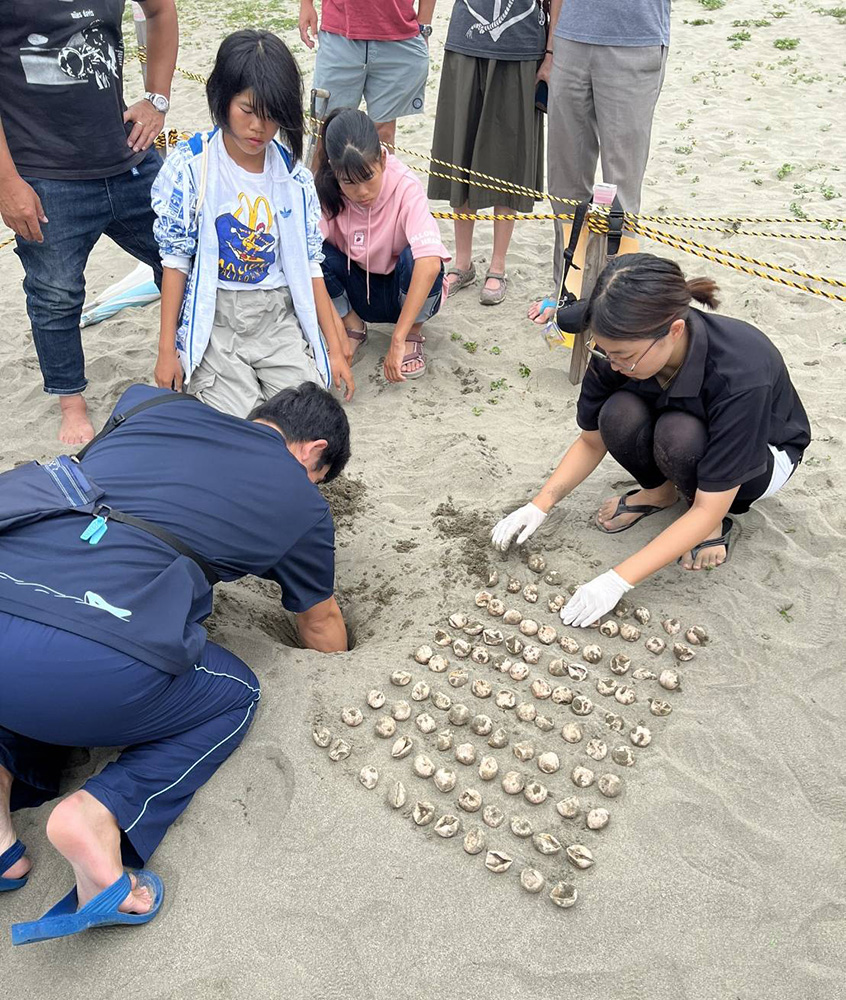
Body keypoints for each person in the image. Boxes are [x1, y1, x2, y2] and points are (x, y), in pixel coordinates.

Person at [0, 381, 350, 943]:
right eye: (319, 479)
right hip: (95, 658)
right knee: (235, 695)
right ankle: (98, 814)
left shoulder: (146, 402)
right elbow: (320, 625)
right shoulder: (302, 502)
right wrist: (344, 665)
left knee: (27, 652)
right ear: (314, 452)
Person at [492, 254, 811, 625]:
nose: (611, 363)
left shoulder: (740, 370)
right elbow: (592, 441)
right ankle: (659, 493)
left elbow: (711, 503)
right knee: (617, 412)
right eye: (604, 350)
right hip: (681, 418)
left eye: (623, 356)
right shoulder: (617, 343)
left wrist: (616, 580)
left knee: (680, 436)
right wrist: (540, 503)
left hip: (764, 456)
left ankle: (710, 527)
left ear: (674, 331)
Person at [0, 0, 178, 445]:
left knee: (182, 258)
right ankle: (71, 402)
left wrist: (157, 98)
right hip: (42, 172)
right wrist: (6, 182)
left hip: (127, 154)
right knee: (55, 294)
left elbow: (160, 10)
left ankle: (187, 357)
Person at [151, 30, 354, 417]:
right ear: (222, 99)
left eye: (272, 115)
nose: (259, 127)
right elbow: (175, 260)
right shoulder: (193, 167)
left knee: (303, 420)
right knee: (240, 424)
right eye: (247, 110)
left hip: (277, 315)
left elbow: (310, 266)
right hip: (218, 320)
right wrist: (167, 350)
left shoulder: (293, 177)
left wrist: (334, 345)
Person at [529, 0, 670, 324]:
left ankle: (619, 306)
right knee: (566, 180)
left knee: (620, 188)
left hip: (634, 43)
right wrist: (551, 48)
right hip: (571, 40)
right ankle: (568, 292)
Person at [316, 109, 449, 382]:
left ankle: (413, 331)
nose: (361, 192)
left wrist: (398, 338)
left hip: (402, 290)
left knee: (420, 258)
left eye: (368, 177)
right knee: (314, 254)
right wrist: (334, 336)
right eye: (348, 182)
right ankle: (352, 325)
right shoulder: (327, 191)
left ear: (384, 160)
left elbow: (430, 262)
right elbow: (305, 257)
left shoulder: (405, 186)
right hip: (359, 292)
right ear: (334, 170)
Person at [428, 0, 546, 306]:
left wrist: (552, 52)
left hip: (521, 44)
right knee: (461, 151)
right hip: (467, 39)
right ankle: (462, 263)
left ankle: (498, 266)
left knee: (508, 156)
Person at [299, 0, 435, 147]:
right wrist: (306, 4)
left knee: (383, 134)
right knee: (325, 131)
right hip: (339, 31)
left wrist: (424, 26)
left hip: (397, 34)